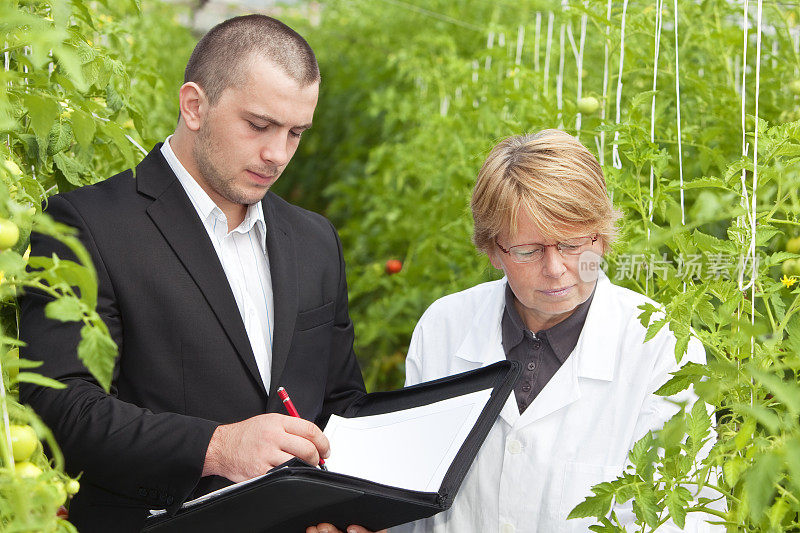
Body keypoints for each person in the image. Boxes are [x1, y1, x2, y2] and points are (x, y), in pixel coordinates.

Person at [19, 15, 368, 532]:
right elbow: (59, 404)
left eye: (296, 133)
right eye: (259, 125)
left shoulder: (316, 241)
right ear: (194, 105)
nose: (278, 154)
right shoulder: (87, 224)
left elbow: (340, 404)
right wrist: (216, 447)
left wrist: (346, 510)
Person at [393, 129, 720, 532]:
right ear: (494, 249)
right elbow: (409, 500)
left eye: (570, 244)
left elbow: (686, 517)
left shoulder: (661, 348)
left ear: (601, 237)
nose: (554, 269)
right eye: (529, 251)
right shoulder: (443, 329)